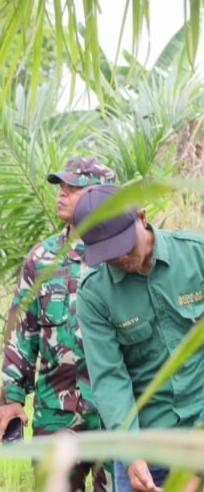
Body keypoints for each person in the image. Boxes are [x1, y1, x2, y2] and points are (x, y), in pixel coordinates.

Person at [74, 184, 204, 492]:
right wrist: (132, 455)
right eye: (106, 253)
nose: (118, 257)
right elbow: (109, 378)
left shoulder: (197, 256)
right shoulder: (94, 293)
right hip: (148, 445)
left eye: (122, 244)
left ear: (141, 217)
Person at [0, 157, 115, 492]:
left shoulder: (123, 253)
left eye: (74, 188)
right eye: (61, 187)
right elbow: (22, 332)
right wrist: (12, 397)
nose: (62, 194)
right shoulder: (42, 258)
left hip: (117, 408)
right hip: (57, 408)